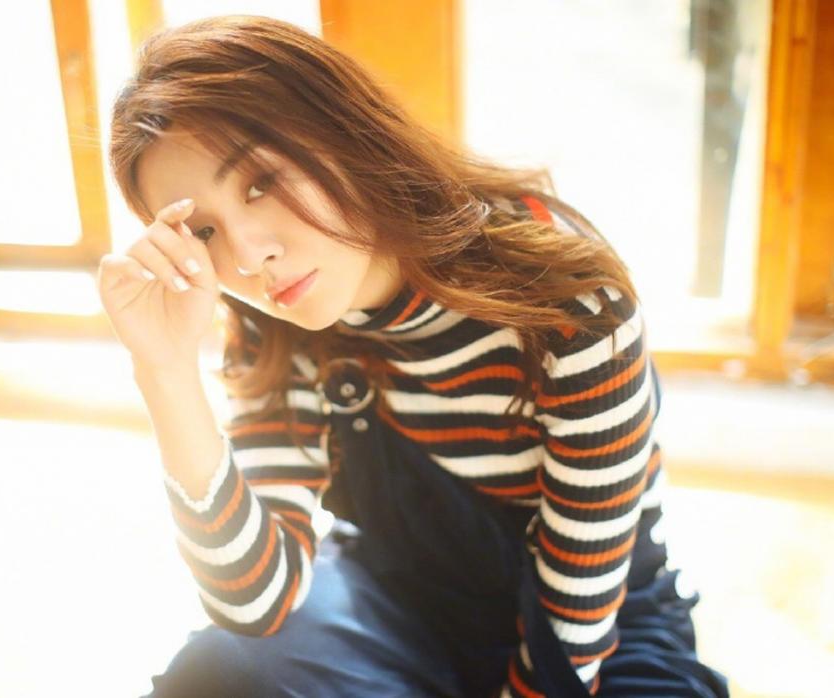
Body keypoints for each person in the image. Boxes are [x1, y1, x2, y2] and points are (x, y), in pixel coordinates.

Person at [97, 14, 730, 698]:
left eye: (260, 182)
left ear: (340, 130)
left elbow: (578, 607)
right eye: (203, 232)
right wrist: (165, 371)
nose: (249, 257)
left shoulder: (563, 296)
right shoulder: (277, 333)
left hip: (593, 620)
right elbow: (255, 601)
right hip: (394, 603)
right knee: (217, 674)